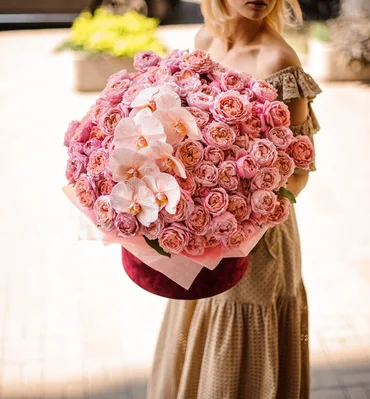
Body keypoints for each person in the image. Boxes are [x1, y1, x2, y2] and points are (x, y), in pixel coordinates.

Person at [147, 0, 322, 396]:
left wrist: (238, 217)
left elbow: (297, 176)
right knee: (199, 322)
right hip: (200, 232)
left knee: (240, 341)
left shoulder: (278, 61)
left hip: (257, 239)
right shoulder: (205, 40)